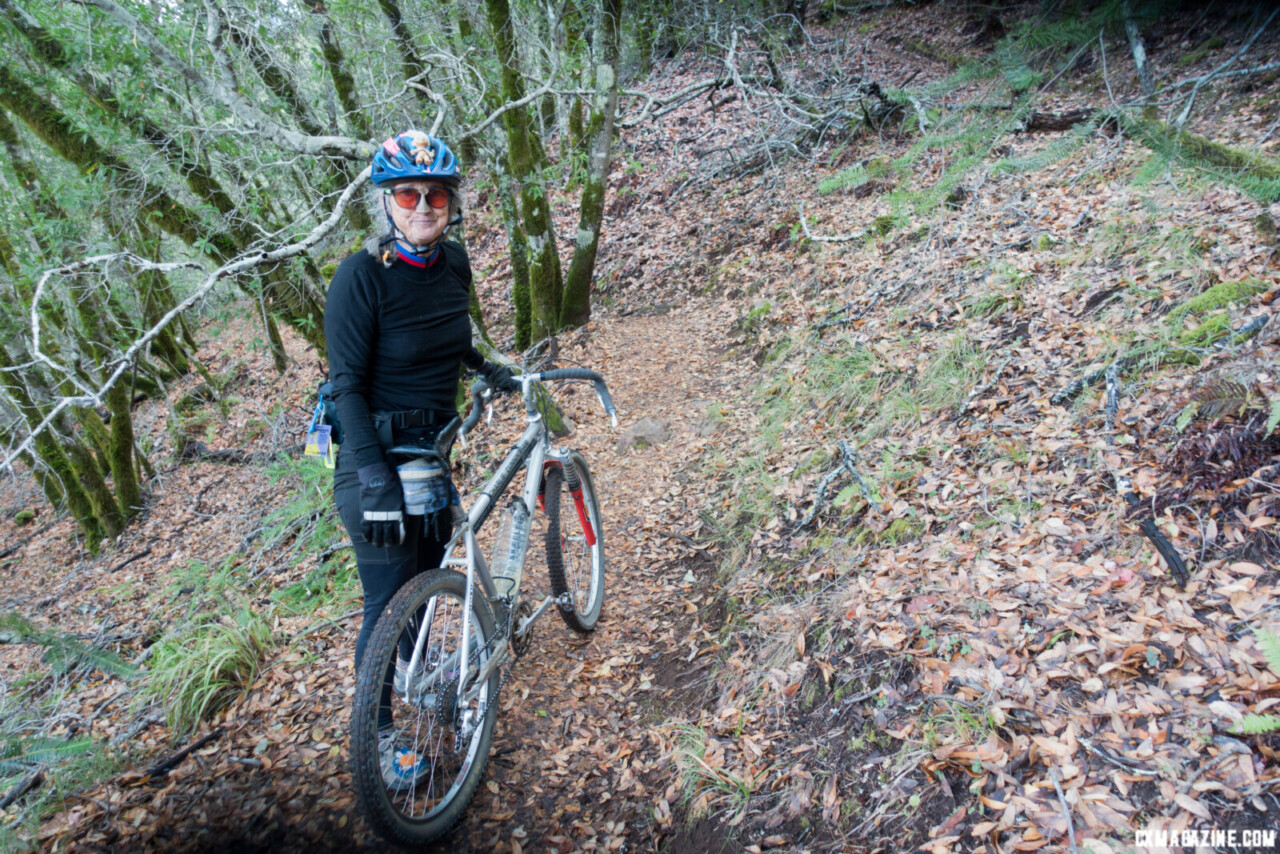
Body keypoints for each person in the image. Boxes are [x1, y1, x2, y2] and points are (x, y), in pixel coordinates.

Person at [323, 130, 515, 785]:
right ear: (387, 200)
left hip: (430, 453)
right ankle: (377, 743)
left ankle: (423, 689)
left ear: (451, 200)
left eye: (437, 193)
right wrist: (373, 477)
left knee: (421, 594)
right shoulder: (360, 277)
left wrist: (487, 369)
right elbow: (345, 384)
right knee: (387, 608)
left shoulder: (454, 264)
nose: (424, 204)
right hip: (371, 458)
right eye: (409, 192)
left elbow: (450, 338)